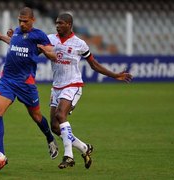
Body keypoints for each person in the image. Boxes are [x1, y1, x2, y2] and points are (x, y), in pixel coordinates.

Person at [38, 13, 132, 169]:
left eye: (61, 23)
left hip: (73, 85)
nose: (57, 25)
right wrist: (13, 39)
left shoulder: (80, 44)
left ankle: (68, 156)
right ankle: (84, 148)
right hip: (56, 87)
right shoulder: (50, 39)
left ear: (69, 24)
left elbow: (94, 65)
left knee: (61, 115)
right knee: (55, 126)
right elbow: (31, 49)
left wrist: (115, 75)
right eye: (56, 23)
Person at [0, 7, 58, 170]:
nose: (22, 23)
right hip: (8, 80)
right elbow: (15, 44)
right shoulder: (17, 32)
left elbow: (53, 54)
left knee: (36, 115)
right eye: (20, 20)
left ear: (33, 20)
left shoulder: (39, 35)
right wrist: (2, 37)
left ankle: (49, 138)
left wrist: (44, 51)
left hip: (26, 83)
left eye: (25, 21)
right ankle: (0, 156)